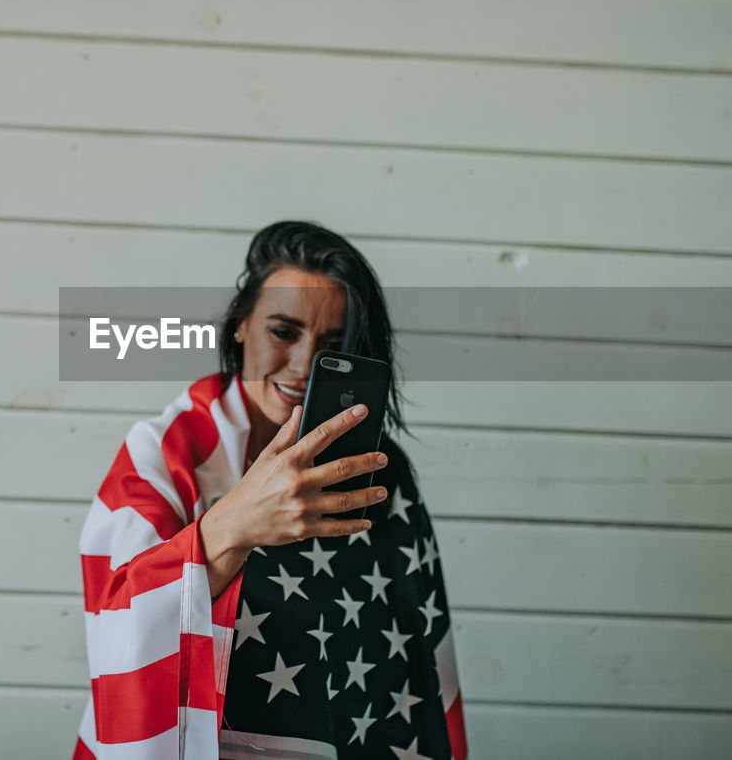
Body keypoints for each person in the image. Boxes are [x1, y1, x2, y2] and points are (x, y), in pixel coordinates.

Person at [74, 221, 468, 760]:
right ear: (240, 326)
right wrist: (233, 526)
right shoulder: (163, 454)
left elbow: (413, 660)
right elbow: (117, 622)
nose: (305, 366)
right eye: (283, 332)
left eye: (332, 346)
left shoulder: (377, 471)